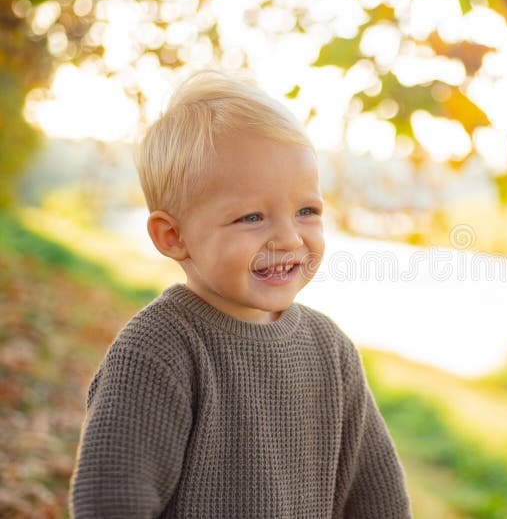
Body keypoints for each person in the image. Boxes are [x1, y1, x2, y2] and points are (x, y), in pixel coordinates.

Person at [68, 69, 412, 518]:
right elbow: (110, 500)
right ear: (173, 236)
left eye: (306, 211)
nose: (289, 239)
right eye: (252, 217)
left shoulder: (330, 351)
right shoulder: (159, 349)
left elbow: (378, 501)